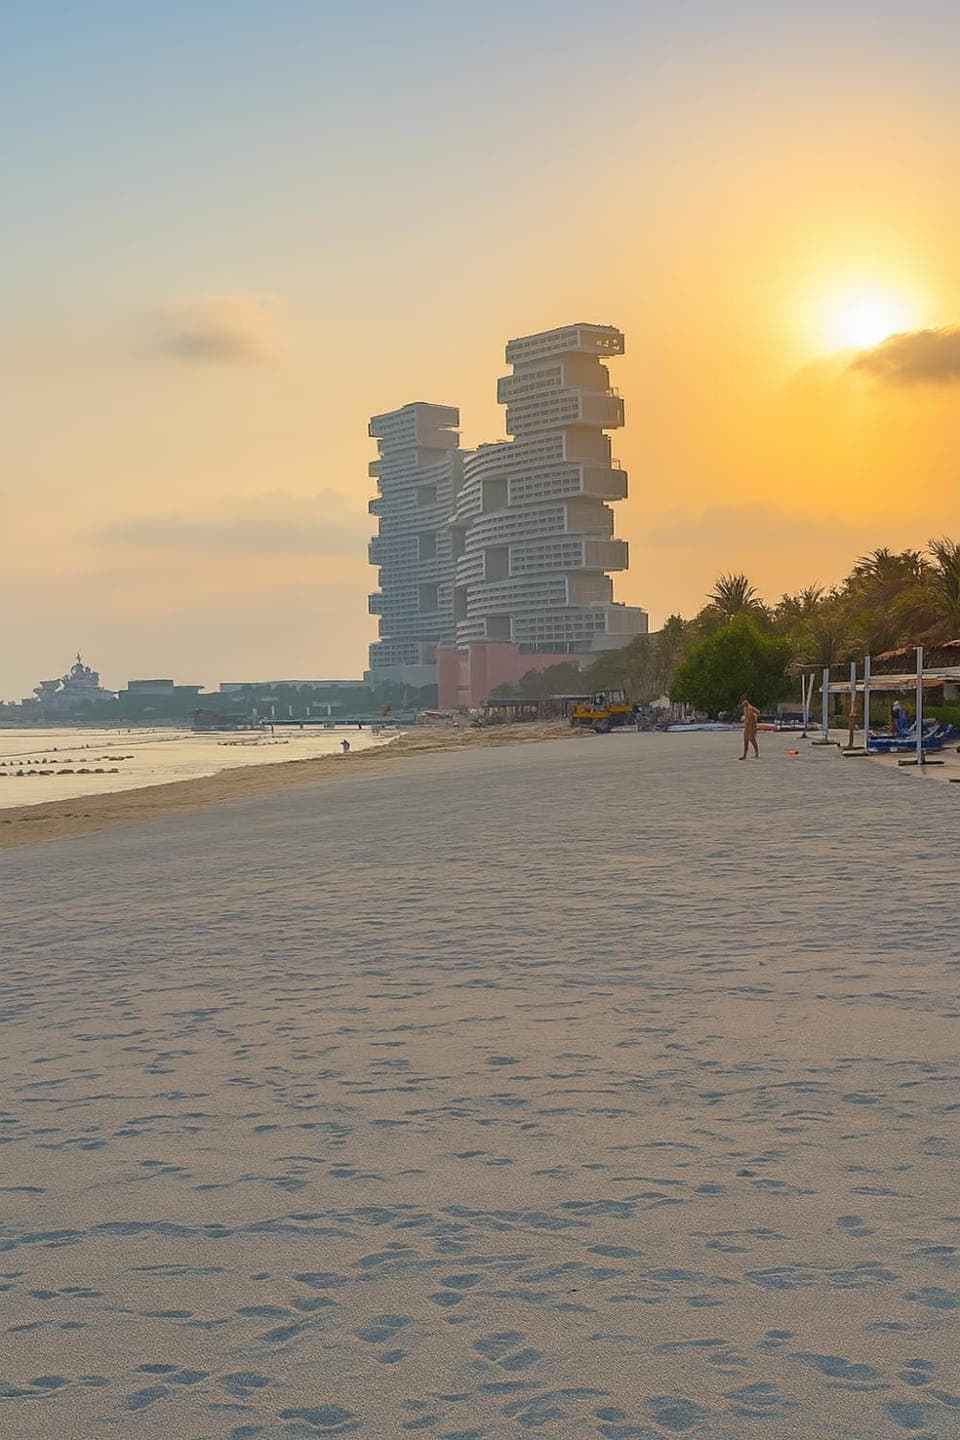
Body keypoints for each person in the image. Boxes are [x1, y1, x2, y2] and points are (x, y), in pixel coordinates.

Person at [740, 695, 760, 759]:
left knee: (752, 739)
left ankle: (757, 753)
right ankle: (744, 755)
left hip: (751, 726)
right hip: (746, 726)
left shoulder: (751, 708)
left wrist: (754, 717)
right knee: (745, 740)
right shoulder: (745, 708)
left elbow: (758, 712)